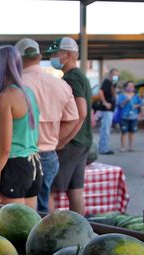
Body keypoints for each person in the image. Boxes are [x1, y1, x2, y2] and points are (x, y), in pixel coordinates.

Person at [15, 37, 79, 213]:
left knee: (20, 213)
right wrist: (57, 142)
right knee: (42, 204)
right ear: (39, 56)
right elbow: (73, 118)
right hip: (49, 155)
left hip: (21, 156)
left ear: (17, 59)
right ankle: (42, 238)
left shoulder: (14, 85)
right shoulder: (60, 84)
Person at [0, 45, 42, 208]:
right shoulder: (29, 93)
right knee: (30, 227)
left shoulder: (4, 98)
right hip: (34, 165)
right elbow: (38, 135)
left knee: (11, 228)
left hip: (13, 166)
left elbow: (4, 149)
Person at [46, 37, 91, 216]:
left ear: (70, 55)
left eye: (57, 53)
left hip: (72, 142)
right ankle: (80, 228)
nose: (54, 57)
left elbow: (81, 112)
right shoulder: (80, 76)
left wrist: (62, 140)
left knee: (48, 189)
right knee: (75, 190)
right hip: (83, 141)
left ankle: (49, 230)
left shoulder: (72, 78)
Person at [96, 68, 119, 155]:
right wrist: (105, 102)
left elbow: (113, 94)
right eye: (114, 74)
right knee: (105, 129)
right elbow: (100, 91)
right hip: (107, 109)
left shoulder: (112, 83)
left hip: (110, 109)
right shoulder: (107, 81)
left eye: (117, 74)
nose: (116, 76)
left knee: (106, 128)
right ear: (110, 74)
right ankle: (103, 148)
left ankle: (103, 147)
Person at [117, 81, 142, 152]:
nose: (131, 87)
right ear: (126, 87)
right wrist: (126, 100)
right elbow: (120, 105)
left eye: (132, 86)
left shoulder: (136, 95)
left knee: (132, 132)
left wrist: (137, 105)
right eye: (130, 86)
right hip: (124, 117)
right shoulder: (122, 96)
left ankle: (131, 147)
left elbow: (141, 103)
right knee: (123, 132)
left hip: (134, 117)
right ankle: (122, 146)